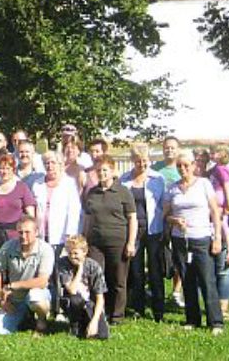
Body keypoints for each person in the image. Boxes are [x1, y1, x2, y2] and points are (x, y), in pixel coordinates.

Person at [163, 151, 224, 334]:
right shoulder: (172, 188)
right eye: (179, 166)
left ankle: (216, 322)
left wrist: (217, 238)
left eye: (186, 165)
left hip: (201, 238)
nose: (183, 169)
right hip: (180, 240)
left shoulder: (204, 184)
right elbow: (164, 215)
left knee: (207, 280)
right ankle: (192, 318)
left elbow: (215, 212)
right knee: (187, 279)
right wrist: (174, 220)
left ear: (193, 165)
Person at [82, 155, 136, 325]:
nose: (102, 173)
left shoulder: (123, 192)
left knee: (118, 280)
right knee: (97, 277)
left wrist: (131, 243)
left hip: (118, 242)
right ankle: (99, 312)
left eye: (105, 170)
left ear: (113, 171)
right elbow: (87, 218)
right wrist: (84, 240)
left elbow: (132, 218)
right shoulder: (92, 193)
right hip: (96, 243)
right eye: (99, 170)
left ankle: (117, 315)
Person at [30, 150, 82, 313]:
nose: (50, 166)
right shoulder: (37, 184)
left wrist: (69, 236)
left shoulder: (68, 183)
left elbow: (74, 210)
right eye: (47, 163)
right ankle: (47, 306)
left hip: (61, 237)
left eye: (53, 163)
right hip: (42, 236)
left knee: (61, 273)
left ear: (60, 165)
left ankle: (61, 308)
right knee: (45, 272)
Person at [119, 143, 166, 321]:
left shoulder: (158, 179)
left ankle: (158, 309)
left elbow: (163, 204)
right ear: (132, 161)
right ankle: (138, 307)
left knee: (155, 270)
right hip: (133, 230)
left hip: (153, 229)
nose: (142, 164)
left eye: (145, 161)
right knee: (136, 270)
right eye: (138, 161)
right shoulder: (124, 180)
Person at [0, 215, 53, 336]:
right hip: (15, 299)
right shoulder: (8, 247)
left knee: (35, 297)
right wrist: (2, 299)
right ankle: (25, 318)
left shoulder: (45, 249)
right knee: (0, 331)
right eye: (20, 232)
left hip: (37, 292)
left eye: (27, 232)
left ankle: (41, 322)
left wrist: (13, 285)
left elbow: (42, 281)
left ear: (36, 232)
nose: (23, 236)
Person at [57, 234, 109, 339]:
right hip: (72, 301)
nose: (72, 256)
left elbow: (100, 298)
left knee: (102, 335)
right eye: (69, 253)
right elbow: (72, 290)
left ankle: (88, 322)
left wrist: (94, 321)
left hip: (91, 303)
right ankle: (75, 325)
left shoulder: (94, 266)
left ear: (85, 252)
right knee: (75, 299)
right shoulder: (63, 264)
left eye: (76, 253)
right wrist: (80, 269)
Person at [0, 154, 36, 259]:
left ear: (13, 170)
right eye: (1, 168)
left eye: (7, 168)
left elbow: (31, 215)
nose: (4, 171)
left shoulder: (21, 187)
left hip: (14, 236)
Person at [153, 135, 183, 307]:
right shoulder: (157, 168)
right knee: (160, 255)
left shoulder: (181, 167)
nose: (169, 150)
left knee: (179, 254)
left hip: (178, 217)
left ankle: (176, 291)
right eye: (166, 147)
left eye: (173, 147)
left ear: (178, 150)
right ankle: (156, 288)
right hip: (160, 218)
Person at [209, 144, 229, 321]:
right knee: (221, 224)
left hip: (219, 199)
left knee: (223, 224)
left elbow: (226, 186)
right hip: (216, 200)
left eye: (215, 152)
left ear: (223, 154)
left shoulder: (221, 169)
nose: (212, 155)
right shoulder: (213, 169)